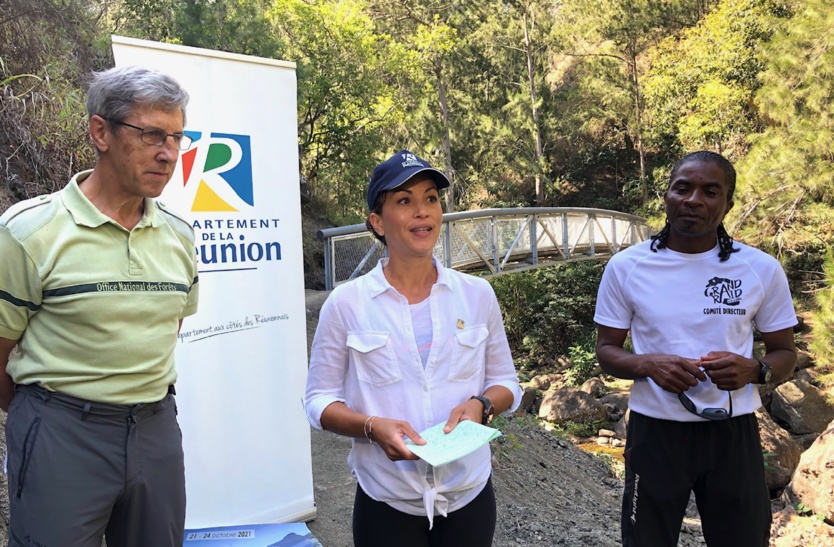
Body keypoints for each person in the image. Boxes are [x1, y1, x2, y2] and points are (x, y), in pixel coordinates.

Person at [0, 66, 198, 547]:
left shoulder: (179, 234)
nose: (168, 153)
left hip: (155, 428)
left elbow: (164, 329)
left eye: (176, 137)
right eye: (151, 133)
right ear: (100, 132)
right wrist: (48, 415)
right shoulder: (28, 232)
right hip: (61, 433)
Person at [305, 150, 522, 547]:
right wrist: (370, 427)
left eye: (430, 198)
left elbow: (506, 381)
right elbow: (319, 401)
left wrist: (482, 406)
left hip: (468, 496)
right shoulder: (347, 304)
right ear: (377, 222)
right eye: (404, 201)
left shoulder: (476, 295)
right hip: (386, 503)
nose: (422, 212)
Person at [594, 150, 797, 546]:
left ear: (727, 204)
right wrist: (647, 364)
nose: (693, 200)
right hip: (654, 433)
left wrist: (755, 371)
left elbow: (784, 353)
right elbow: (606, 351)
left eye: (710, 191)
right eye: (682, 188)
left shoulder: (760, 269)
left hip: (732, 434)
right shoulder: (626, 266)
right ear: (667, 196)